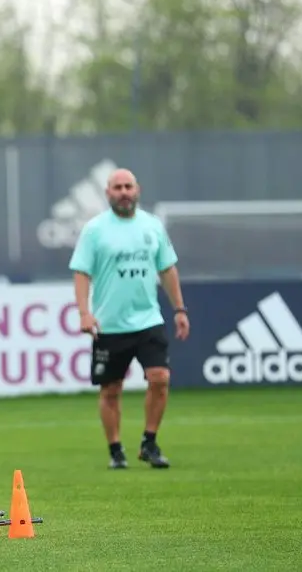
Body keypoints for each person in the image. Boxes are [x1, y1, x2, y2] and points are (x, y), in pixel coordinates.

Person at [68, 168, 190, 470]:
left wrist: (179, 309)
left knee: (160, 378)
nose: (124, 192)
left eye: (128, 186)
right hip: (109, 324)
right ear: (107, 193)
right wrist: (84, 312)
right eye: (117, 187)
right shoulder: (95, 230)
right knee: (111, 390)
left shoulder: (153, 226)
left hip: (148, 320)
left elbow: (167, 269)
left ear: (138, 190)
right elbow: (81, 272)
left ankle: (149, 442)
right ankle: (115, 450)